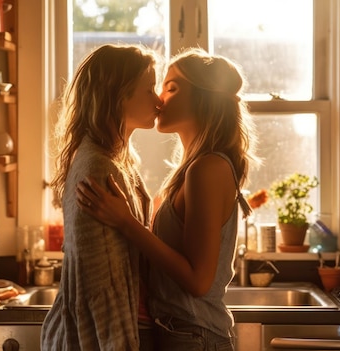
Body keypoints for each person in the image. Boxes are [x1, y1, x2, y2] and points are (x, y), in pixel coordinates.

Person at [77, 48, 258, 350]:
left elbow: (198, 281)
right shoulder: (190, 169)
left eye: (171, 88)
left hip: (194, 335)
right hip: (178, 331)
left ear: (203, 99)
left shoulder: (208, 168)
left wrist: (126, 223)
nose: (160, 99)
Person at [40, 44, 162, 351]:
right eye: (149, 90)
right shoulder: (98, 168)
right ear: (118, 96)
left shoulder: (117, 158)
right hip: (116, 337)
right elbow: (100, 280)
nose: (159, 101)